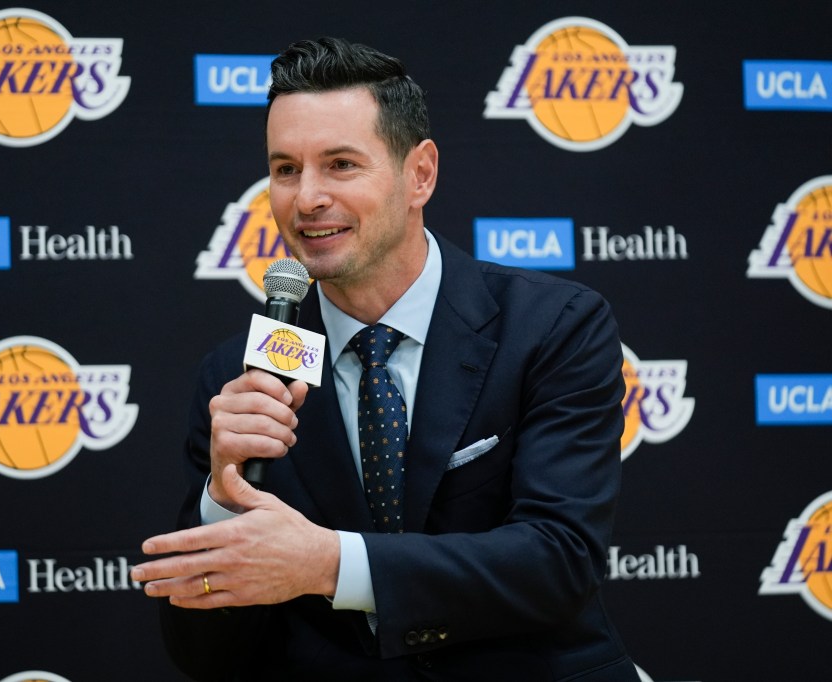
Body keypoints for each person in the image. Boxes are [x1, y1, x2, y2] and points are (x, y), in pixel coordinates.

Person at [131, 37, 639, 681]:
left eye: (341, 164)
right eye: (285, 169)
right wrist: (224, 500)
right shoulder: (239, 376)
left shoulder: (553, 325)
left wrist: (328, 563)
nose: (306, 197)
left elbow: (560, 560)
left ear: (419, 173)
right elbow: (206, 657)